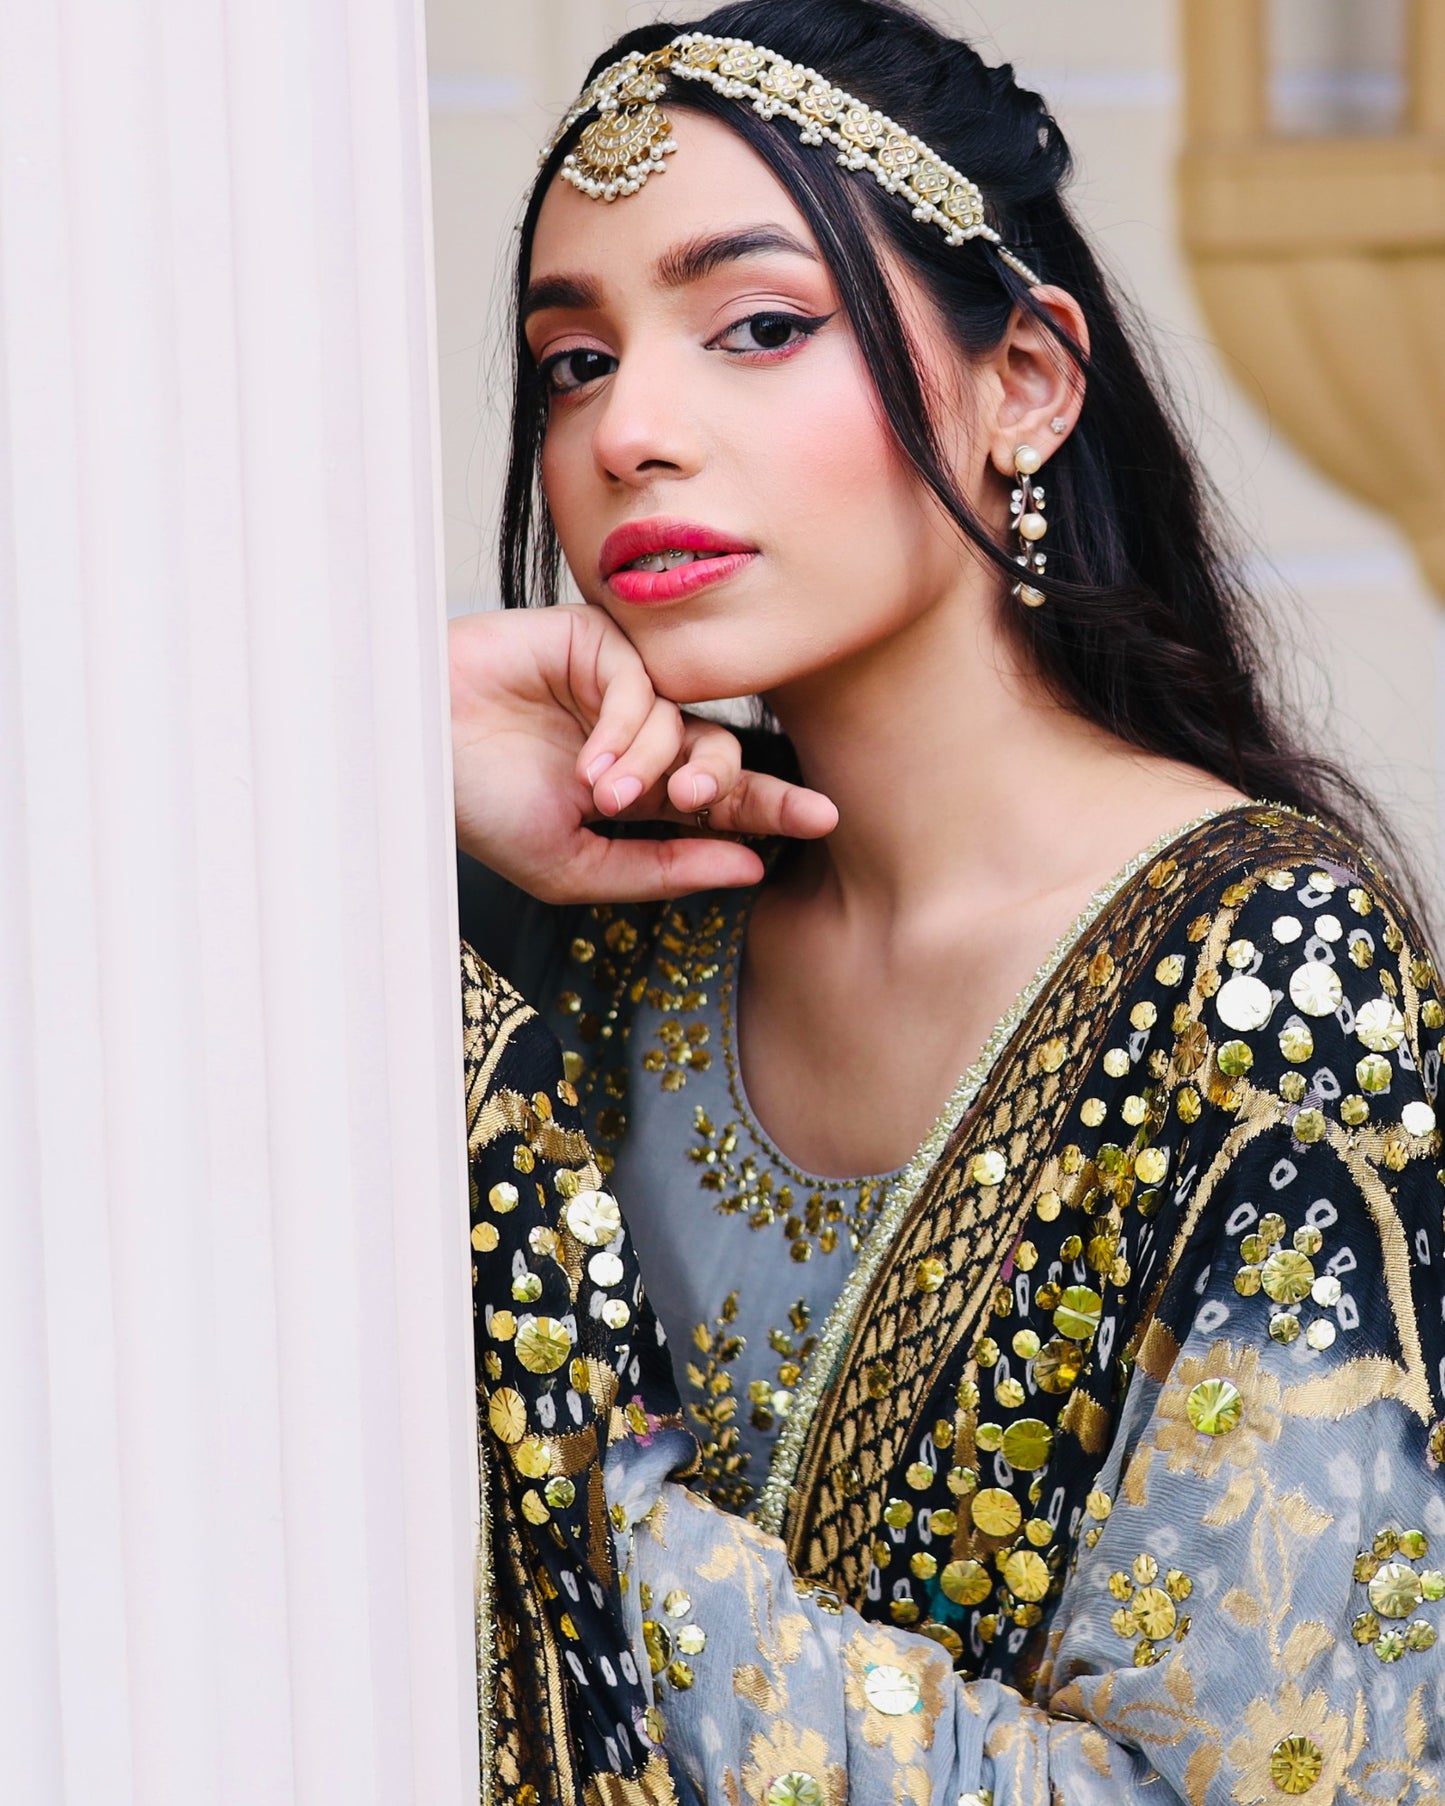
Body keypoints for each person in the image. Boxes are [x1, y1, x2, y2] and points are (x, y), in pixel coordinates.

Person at [451, 4, 1445, 1800]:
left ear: (1027, 382)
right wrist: (380, 792)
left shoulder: (1263, 969)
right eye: (573, 363)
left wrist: (564, 1498)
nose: (630, 434)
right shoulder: (559, 925)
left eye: (757, 325)